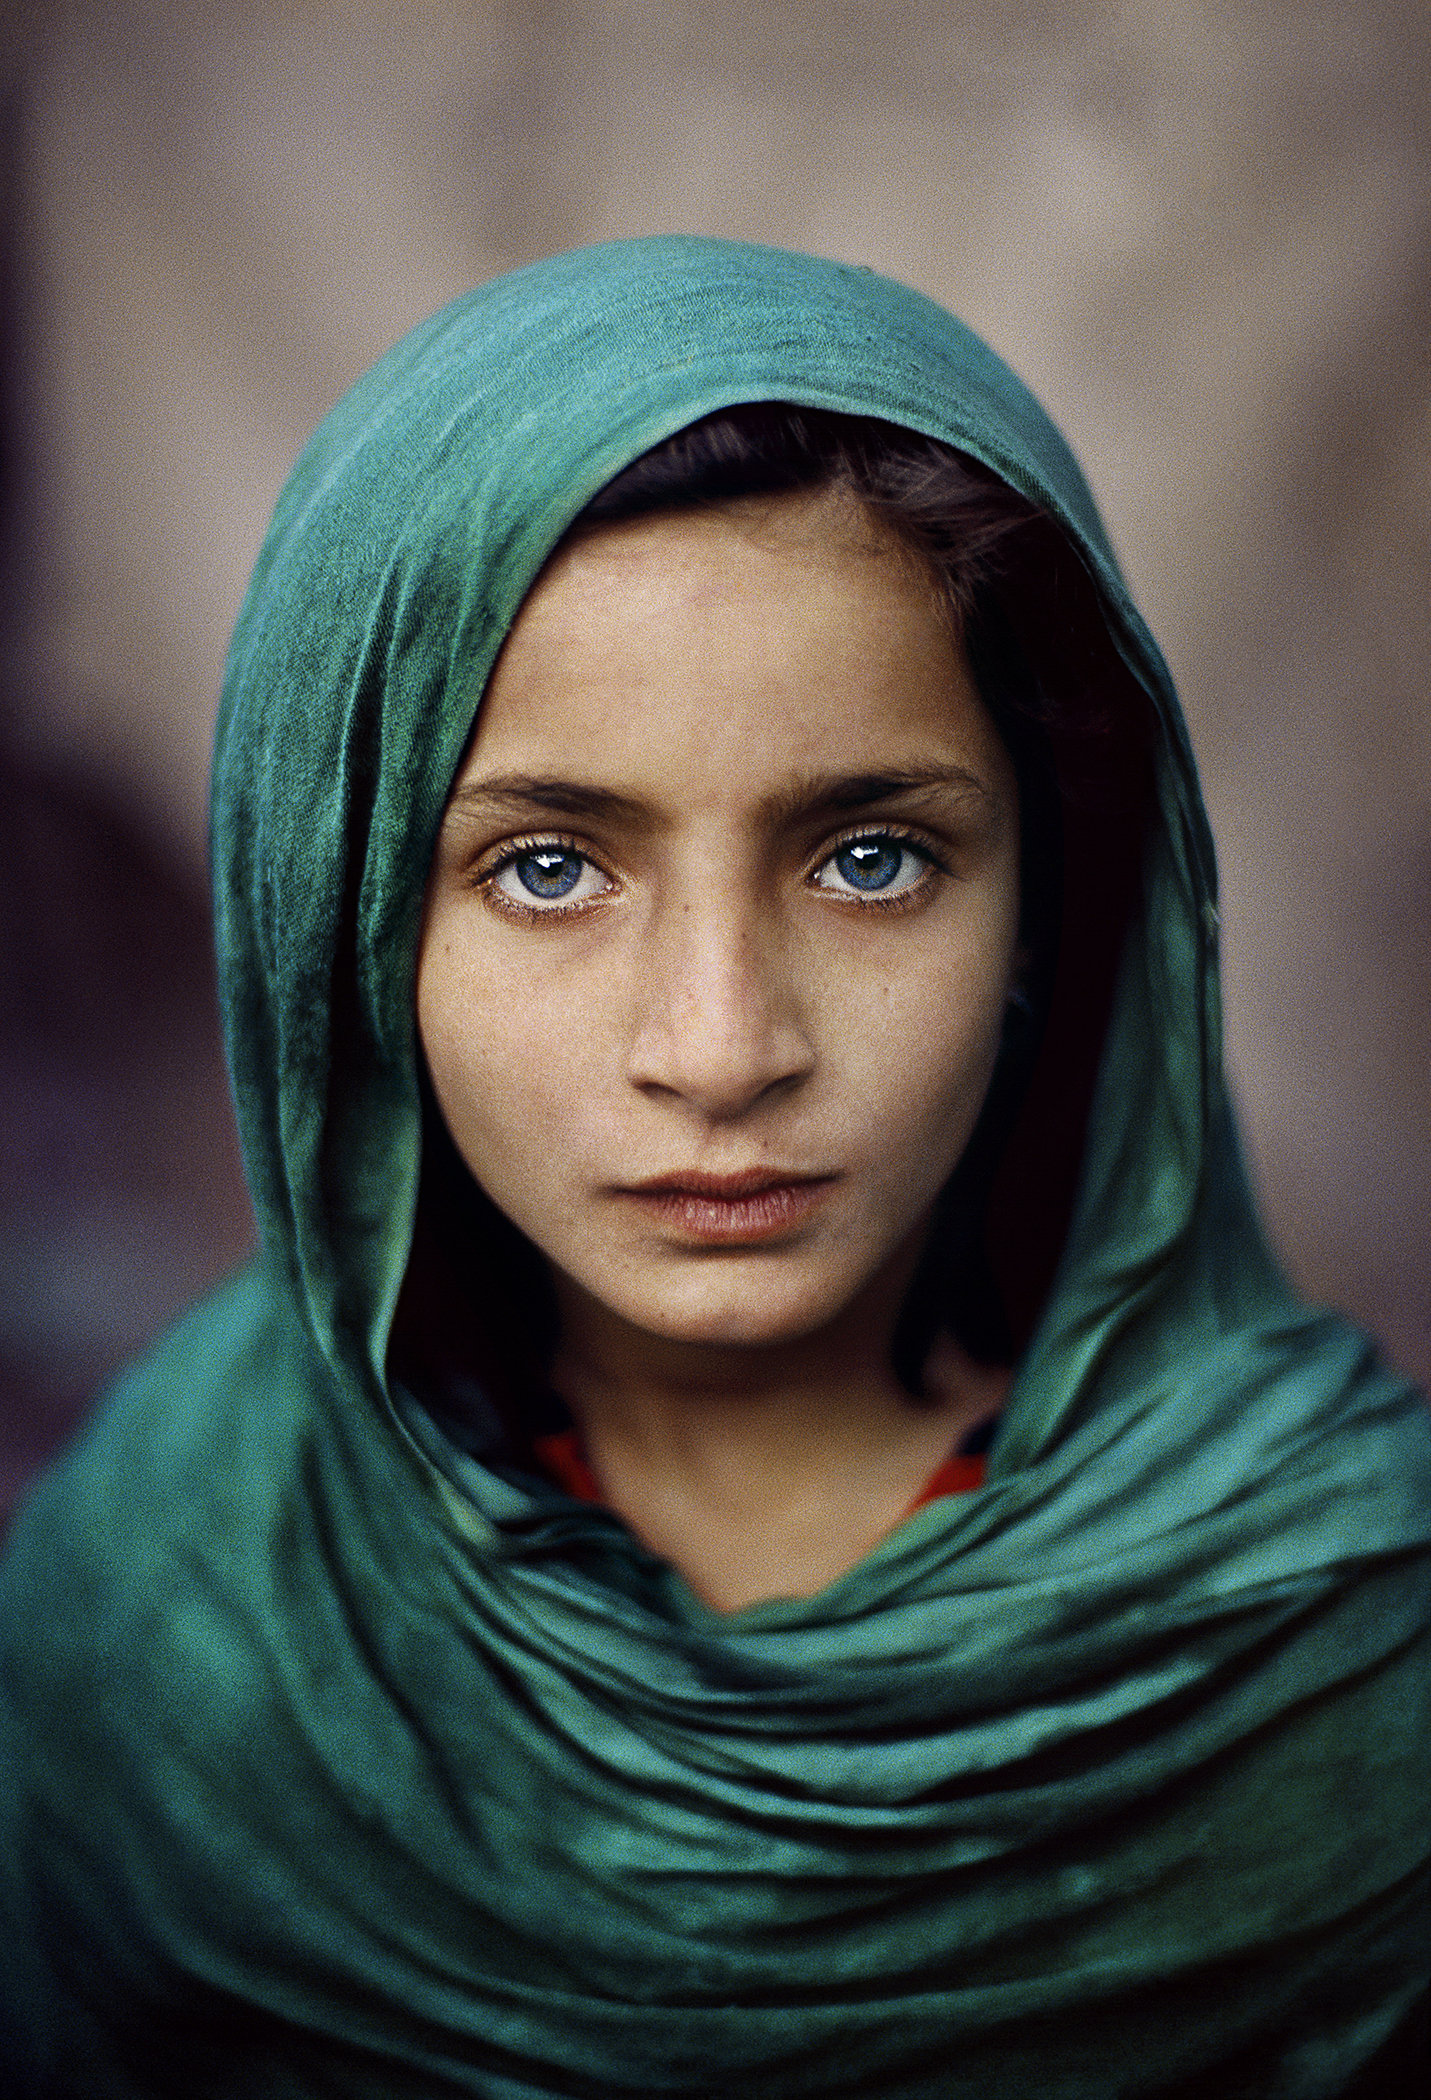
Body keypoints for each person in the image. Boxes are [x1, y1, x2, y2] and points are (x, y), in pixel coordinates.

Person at [0, 237, 1426, 2099]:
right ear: (342, 928)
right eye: (545, 870)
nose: (724, 1046)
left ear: (1050, 910)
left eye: (869, 858)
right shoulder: (164, 1602)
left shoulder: (1340, 1648)